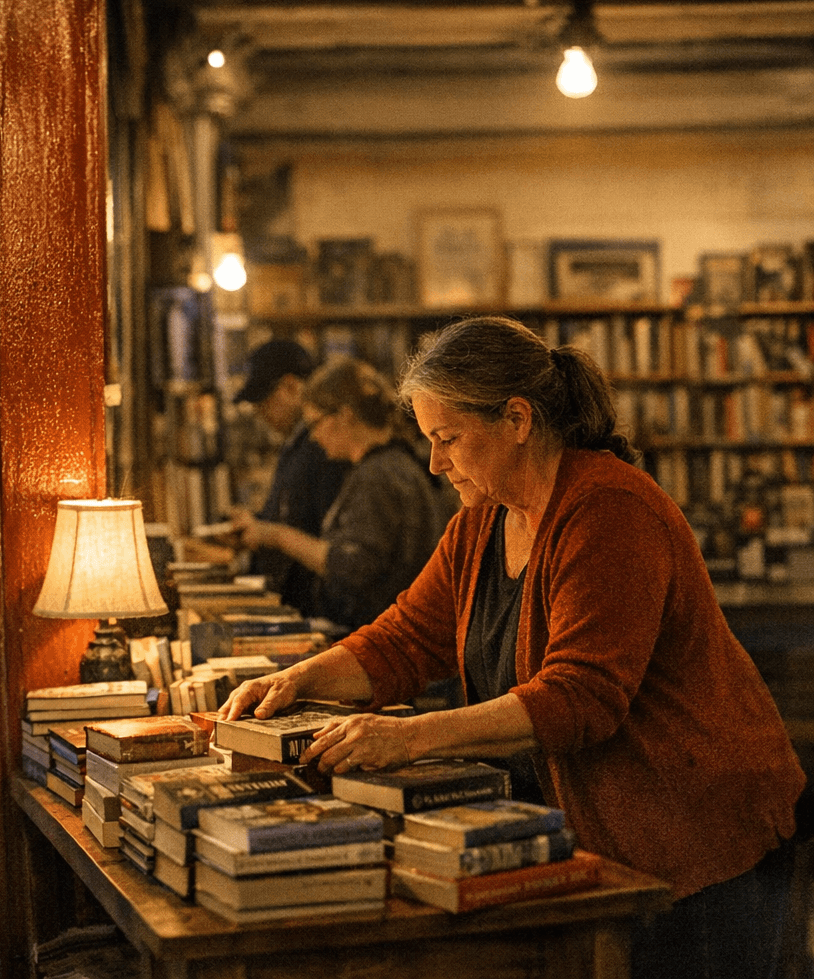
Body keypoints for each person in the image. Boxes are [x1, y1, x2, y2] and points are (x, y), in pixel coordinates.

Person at [219, 316, 803, 978]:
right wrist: (299, 679)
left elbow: (580, 700)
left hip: (689, 833)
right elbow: (407, 639)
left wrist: (406, 738)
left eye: (448, 439)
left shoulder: (608, 511)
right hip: (595, 837)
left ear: (518, 419)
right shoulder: (483, 520)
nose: (436, 463)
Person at [233, 357, 455, 629]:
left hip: (387, 638)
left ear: (344, 415)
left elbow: (349, 567)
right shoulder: (393, 463)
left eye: (315, 422)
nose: (313, 437)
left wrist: (276, 536)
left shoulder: (378, 476)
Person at [226, 339, 349, 615]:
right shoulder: (296, 443)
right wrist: (255, 527)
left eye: (263, 400)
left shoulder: (324, 446)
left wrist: (268, 533)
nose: (259, 411)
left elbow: (331, 542)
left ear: (291, 386)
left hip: (320, 610)